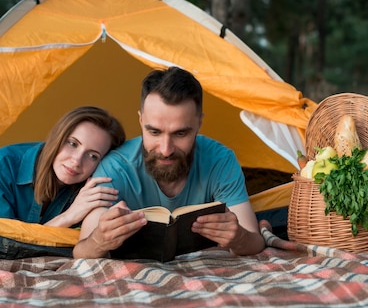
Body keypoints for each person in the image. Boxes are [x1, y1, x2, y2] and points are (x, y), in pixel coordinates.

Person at [73, 67, 265, 258]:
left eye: (180, 133)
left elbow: (254, 241)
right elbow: (81, 252)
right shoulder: (115, 167)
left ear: (199, 124)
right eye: (154, 132)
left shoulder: (220, 160)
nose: (166, 150)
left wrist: (238, 237)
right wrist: (99, 241)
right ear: (141, 121)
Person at [0, 106, 126, 228]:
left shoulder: (93, 188)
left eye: (93, 155)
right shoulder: (3, 163)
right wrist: (67, 217)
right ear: (57, 137)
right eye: (72, 143)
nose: (77, 161)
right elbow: (1, 245)